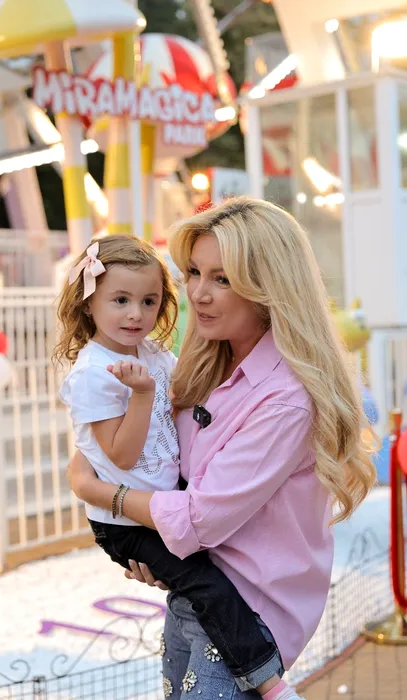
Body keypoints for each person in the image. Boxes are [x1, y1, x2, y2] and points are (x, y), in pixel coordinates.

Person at [66, 199, 377, 700]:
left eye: (223, 279)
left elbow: (199, 518)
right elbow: (147, 455)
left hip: (248, 611)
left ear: (269, 287)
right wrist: (146, 547)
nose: (199, 293)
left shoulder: (284, 399)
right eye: (193, 272)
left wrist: (101, 493)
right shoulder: (202, 366)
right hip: (192, 591)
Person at [55, 233, 294, 699]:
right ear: (88, 302)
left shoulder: (149, 353)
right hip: (128, 523)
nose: (135, 314)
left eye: (148, 301)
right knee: (205, 585)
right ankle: (266, 679)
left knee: (197, 587)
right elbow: (121, 455)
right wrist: (142, 395)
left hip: (160, 499)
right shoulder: (92, 374)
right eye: (120, 300)